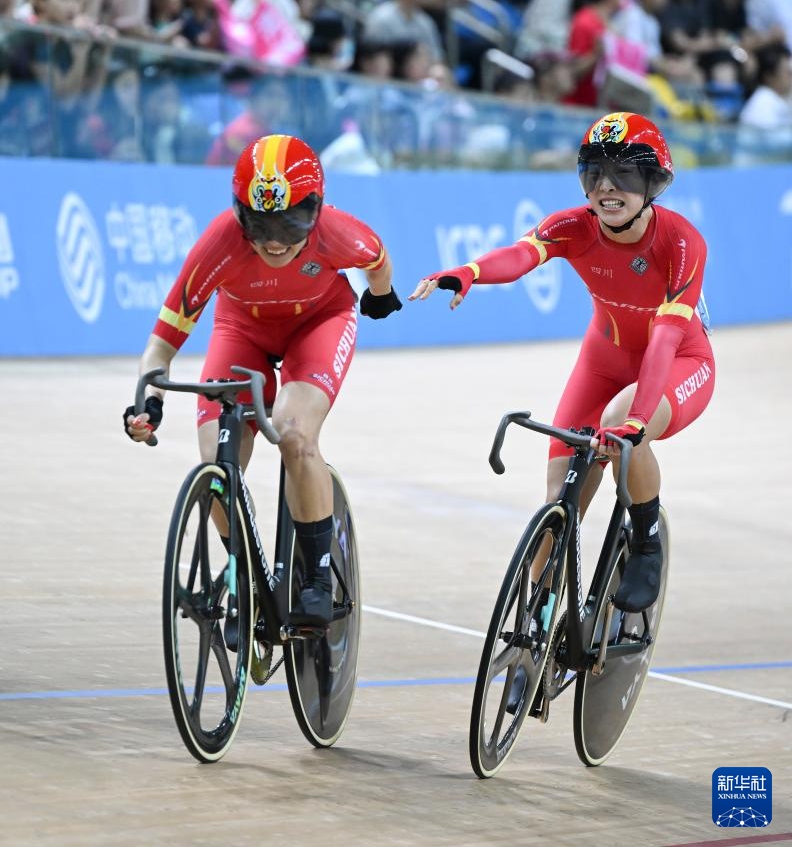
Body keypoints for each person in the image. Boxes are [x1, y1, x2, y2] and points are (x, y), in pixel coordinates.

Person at [411, 111, 715, 629]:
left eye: (623, 174)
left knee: (621, 424)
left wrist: (637, 420)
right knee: (558, 504)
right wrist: (470, 272)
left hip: (680, 360)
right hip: (603, 360)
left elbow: (665, 337)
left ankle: (646, 542)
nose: (606, 187)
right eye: (595, 173)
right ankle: (538, 628)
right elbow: (520, 255)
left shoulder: (682, 242)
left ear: (653, 181)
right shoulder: (574, 226)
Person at [124, 134, 402, 626]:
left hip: (318, 321)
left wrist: (380, 297)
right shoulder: (220, 242)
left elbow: (378, 263)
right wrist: (149, 400)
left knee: (294, 433)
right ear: (239, 215)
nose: (274, 241)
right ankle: (247, 579)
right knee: (216, 464)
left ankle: (316, 577)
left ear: (315, 211)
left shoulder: (337, 232)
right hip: (242, 330)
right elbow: (161, 346)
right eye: (259, 225)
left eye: (289, 224)